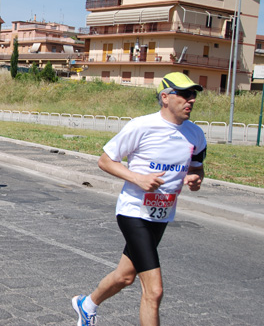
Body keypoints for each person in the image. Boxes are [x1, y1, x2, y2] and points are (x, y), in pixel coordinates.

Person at [72, 72, 207, 326]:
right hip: (133, 211)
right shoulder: (141, 126)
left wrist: (195, 179)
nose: (191, 100)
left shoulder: (196, 135)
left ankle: (86, 304)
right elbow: (105, 160)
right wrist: (138, 178)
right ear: (165, 97)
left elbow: (197, 169)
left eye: (194, 95)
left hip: (162, 214)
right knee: (154, 291)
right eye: (185, 94)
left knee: (125, 276)